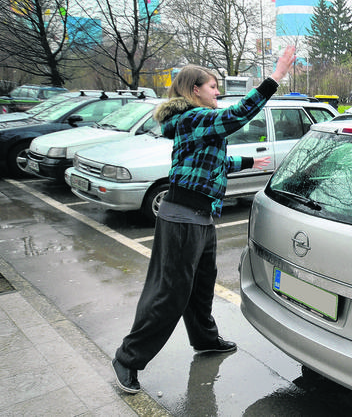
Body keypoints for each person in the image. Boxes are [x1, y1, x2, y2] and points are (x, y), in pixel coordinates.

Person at [111, 46, 297, 394]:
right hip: (182, 217)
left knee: (200, 285)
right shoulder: (193, 119)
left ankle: (205, 340)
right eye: (213, 86)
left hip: (202, 217)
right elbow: (239, 115)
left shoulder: (197, 125)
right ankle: (128, 357)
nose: (217, 92)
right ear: (195, 90)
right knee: (170, 293)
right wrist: (276, 76)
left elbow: (211, 163)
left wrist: (245, 165)